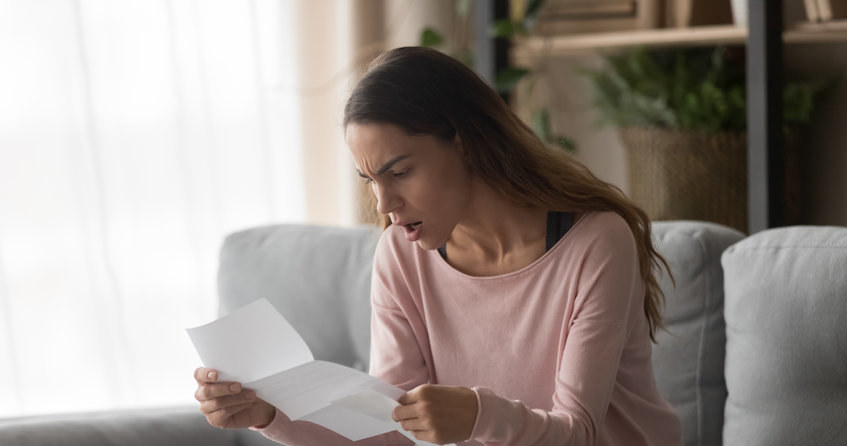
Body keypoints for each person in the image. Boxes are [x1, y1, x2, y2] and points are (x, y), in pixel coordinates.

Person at [194, 46, 682, 446]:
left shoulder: (595, 242)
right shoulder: (401, 255)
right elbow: (390, 425)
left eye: (400, 172)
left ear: (464, 141)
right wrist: (268, 412)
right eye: (369, 180)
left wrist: (477, 415)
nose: (385, 204)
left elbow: (579, 433)